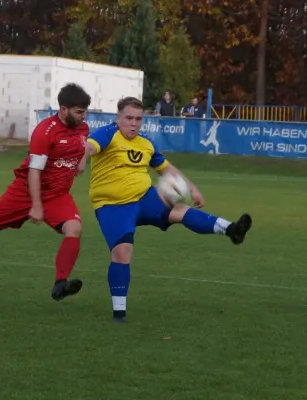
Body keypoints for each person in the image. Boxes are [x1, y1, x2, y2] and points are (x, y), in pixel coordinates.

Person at [78, 97, 252, 322]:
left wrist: (192, 188)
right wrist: (82, 159)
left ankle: (231, 230)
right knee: (122, 252)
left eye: (138, 119)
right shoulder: (108, 134)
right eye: (129, 118)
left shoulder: (146, 143)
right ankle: (119, 313)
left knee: (179, 210)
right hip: (113, 205)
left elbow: (167, 169)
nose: (133, 123)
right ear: (118, 118)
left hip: (144, 197)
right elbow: (89, 146)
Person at [0, 83, 91, 301]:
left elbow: (82, 144)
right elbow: (34, 171)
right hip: (25, 191)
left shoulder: (82, 128)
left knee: (74, 228)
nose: (83, 117)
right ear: (63, 109)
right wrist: (37, 205)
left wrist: (82, 160)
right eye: (79, 112)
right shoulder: (44, 132)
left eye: (85, 112)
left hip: (57, 195)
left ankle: (60, 283)